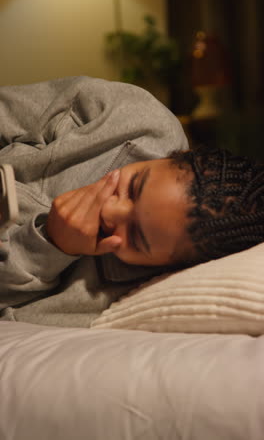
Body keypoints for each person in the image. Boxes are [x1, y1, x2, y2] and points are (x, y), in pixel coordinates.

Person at [0, 76, 263, 327]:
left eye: (136, 237)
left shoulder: (107, 300)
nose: (111, 211)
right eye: (133, 188)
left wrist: (48, 246)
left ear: (167, 266)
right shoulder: (135, 118)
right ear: (175, 156)